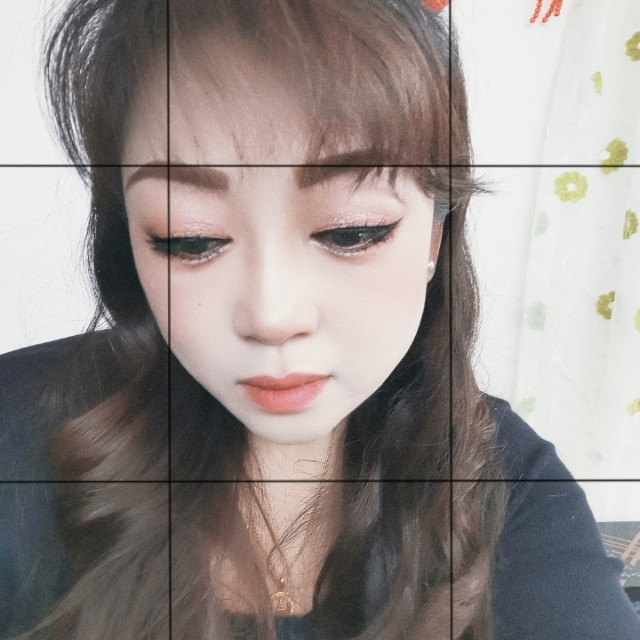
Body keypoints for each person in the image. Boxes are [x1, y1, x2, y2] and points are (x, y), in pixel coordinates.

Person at [0, 1, 638, 639]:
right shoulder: (17, 434)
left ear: (435, 237)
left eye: (351, 231)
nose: (272, 316)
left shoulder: (508, 486)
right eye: (189, 238)